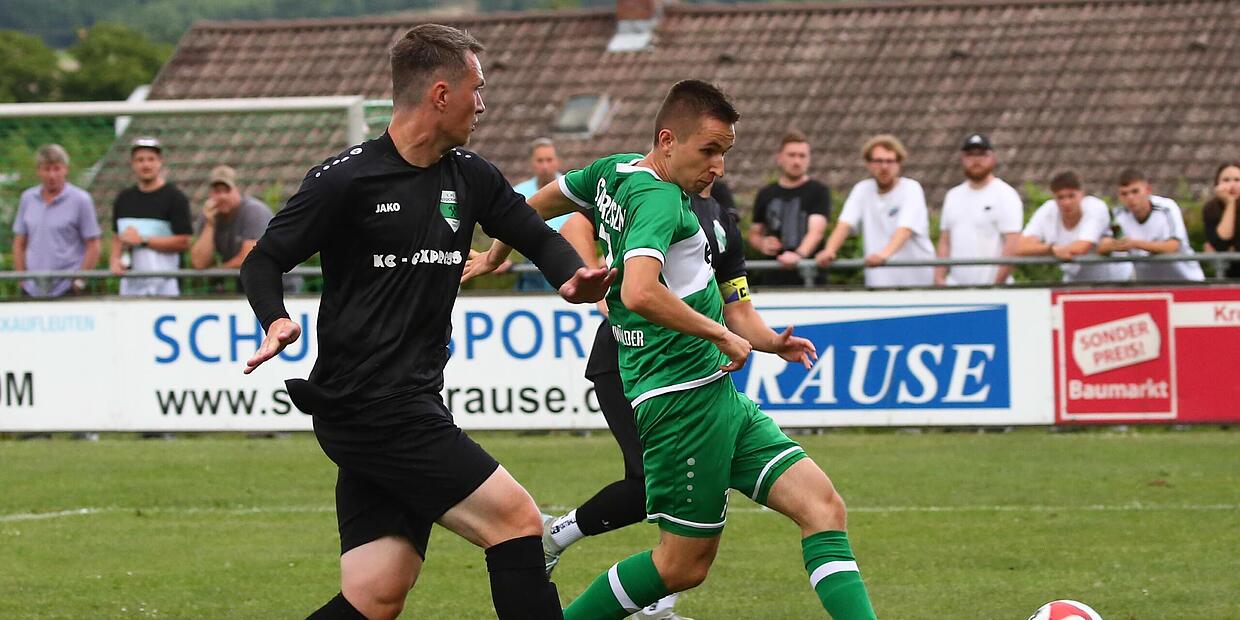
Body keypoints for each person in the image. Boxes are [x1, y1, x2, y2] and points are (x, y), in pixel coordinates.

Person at [238, 24, 611, 620]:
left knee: (376, 594)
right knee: (518, 523)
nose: (482, 105)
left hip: (404, 403)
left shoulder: (471, 176)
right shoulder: (346, 179)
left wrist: (572, 276)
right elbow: (264, 260)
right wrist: (275, 318)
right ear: (441, 94)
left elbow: (535, 235)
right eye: (476, 89)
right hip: (370, 407)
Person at [466, 79, 876, 620]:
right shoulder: (660, 200)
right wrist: (720, 334)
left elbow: (535, 204)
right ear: (667, 140)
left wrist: (496, 254)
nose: (718, 167)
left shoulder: (615, 170)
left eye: (725, 152)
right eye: (708, 151)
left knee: (823, 508)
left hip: (716, 395)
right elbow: (638, 291)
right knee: (681, 567)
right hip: (679, 401)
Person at [817, 134, 934, 287]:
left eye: (890, 161)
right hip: (879, 282)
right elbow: (844, 224)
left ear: (899, 163)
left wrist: (883, 255)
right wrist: (830, 250)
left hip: (916, 282)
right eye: (878, 161)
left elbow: (904, 230)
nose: (884, 166)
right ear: (868, 164)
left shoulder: (911, 189)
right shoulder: (862, 190)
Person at [12, 144, 101, 297]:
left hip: (67, 287)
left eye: (57, 169)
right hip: (32, 287)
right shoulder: (27, 198)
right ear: (38, 171)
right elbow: (19, 242)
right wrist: (21, 278)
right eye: (47, 169)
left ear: (66, 169)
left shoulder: (81, 200)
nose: (52, 175)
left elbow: (93, 245)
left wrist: (79, 281)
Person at [934, 133, 1023, 286]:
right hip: (956, 287)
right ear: (962, 158)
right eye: (970, 155)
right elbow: (945, 241)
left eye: (982, 154)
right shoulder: (953, 195)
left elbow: (1013, 244)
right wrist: (939, 279)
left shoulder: (1006, 194)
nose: (976, 160)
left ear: (992, 157)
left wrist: (996, 285)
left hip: (993, 288)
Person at [109, 137, 192, 296]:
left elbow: (184, 241)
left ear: (160, 162)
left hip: (166, 288)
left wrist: (143, 240)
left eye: (151, 159)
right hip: (131, 288)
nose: (146, 165)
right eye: (140, 160)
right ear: (132, 164)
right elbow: (117, 236)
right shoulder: (123, 198)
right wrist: (115, 259)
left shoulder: (175, 198)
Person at [1016, 171, 1132, 283]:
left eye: (1071, 196)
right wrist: (1051, 249)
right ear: (1053, 197)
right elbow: (1019, 247)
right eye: (1060, 197)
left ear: (1082, 194)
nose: (1066, 203)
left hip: (1117, 282)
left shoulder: (1096, 208)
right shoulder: (1048, 210)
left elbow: (1081, 248)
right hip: (1076, 283)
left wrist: (1051, 250)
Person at [747, 130, 830, 286]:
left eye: (802, 156)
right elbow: (754, 232)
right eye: (792, 155)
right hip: (773, 276)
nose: (797, 161)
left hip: (810, 278)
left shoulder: (818, 191)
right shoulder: (766, 193)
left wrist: (798, 255)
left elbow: (816, 232)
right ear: (779, 157)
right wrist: (763, 243)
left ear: (809, 159)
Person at [1100, 168, 1204, 282]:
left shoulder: (1167, 208)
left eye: (1135, 191)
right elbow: (1103, 246)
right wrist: (1117, 244)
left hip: (1186, 281)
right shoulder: (1118, 215)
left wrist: (1135, 244)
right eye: (1124, 194)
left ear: (1148, 190)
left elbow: (1172, 246)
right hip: (1149, 284)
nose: (1130, 198)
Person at [512, 137, 569, 291]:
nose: (545, 166)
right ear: (531, 163)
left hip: (564, 261)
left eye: (549, 160)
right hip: (529, 264)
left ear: (558, 161)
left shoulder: (571, 189)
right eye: (540, 160)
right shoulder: (519, 192)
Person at [1202, 161, 1240, 278]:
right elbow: (1221, 244)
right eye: (1226, 180)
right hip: (1229, 276)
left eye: (1237, 180)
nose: (1232, 185)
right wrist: (1230, 203)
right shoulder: (1210, 209)